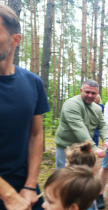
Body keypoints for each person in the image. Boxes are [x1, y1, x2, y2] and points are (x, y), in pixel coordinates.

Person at [0, 4, 50, 209]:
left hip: (24, 188)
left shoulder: (33, 83)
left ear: (15, 40)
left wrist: (30, 185)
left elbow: (36, 134)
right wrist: (8, 196)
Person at [55, 79, 108, 170]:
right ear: (81, 91)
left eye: (93, 93)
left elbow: (102, 125)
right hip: (66, 148)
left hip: (83, 149)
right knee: (63, 177)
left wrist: (106, 140)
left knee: (81, 178)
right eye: (87, 92)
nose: (90, 95)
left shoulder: (97, 108)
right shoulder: (71, 104)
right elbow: (79, 128)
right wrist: (94, 148)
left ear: (97, 94)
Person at [65, 141, 99, 210]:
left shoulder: (76, 187)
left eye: (66, 162)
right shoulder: (90, 181)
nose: (65, 164)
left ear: (74, 167)